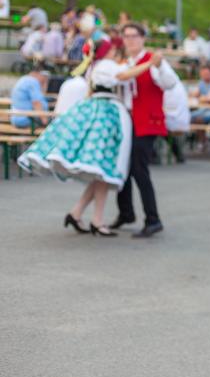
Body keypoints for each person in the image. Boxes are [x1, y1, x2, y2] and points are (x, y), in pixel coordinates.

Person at [19, 40, 161, 236]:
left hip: (100, 111)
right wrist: (149, 63)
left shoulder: (96, 66)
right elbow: (123, 75)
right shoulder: (106, 65)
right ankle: (95, 220)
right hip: (106, 116)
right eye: (112, 49)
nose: (115, 51)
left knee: (99, 173)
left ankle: (79, 214)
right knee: (101, 170)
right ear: (105, 52)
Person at [112, 22, 180, 238]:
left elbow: (170, 83)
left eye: (134, 36)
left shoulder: (152, 60)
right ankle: (126, 212)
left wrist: (158, 66)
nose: (130, 40)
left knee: (139, 169)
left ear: (142, 38)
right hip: (129, 121)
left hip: (147, 121)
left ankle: (153, 219)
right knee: (123, 166)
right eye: (127, 36)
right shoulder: (126, 63)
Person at [162, 80, 190, 164]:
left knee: (160, 129)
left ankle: (154, 155)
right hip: (176, 120)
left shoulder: (168, 87)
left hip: (174, 121)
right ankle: (178, 154)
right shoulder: (178, 85)